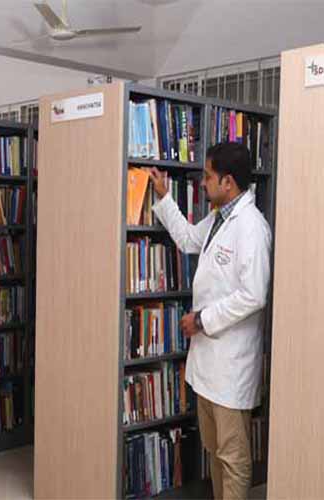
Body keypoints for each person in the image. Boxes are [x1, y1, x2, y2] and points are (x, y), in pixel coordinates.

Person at [148, 142, 271, 500]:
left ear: (228, 182)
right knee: (215, 452)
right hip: (209, 366)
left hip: (231, 367)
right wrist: (164, 197)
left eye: (207, 176)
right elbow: (188, 239)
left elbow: (254, 295)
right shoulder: (219, 219)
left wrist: (202, 320)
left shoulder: (251, 228)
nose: (202, 183)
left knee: (232, 457)